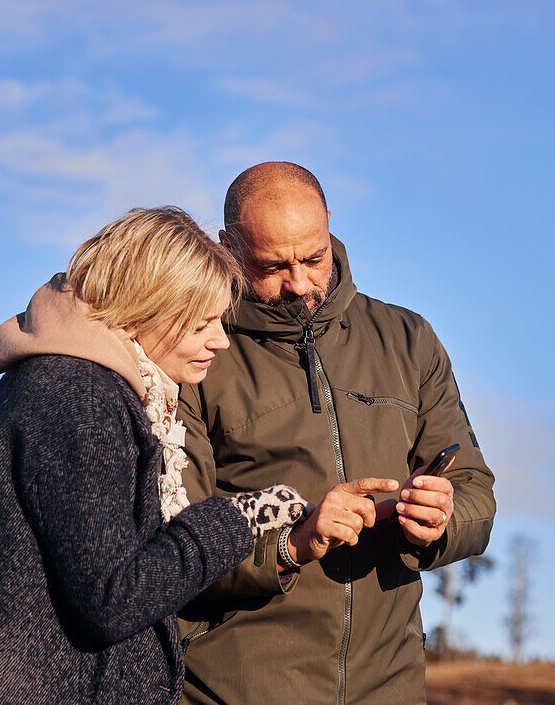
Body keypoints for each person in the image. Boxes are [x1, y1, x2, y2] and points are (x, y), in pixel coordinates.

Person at [0, 207, 314, 704]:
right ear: (145, 308)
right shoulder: (79, 397)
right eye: (201, 323)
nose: (220, 340)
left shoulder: (93, 385)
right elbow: (112, 597)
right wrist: (238, 516)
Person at [177, 164, 497, 704]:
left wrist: (441, 521)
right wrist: (291, 543)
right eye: (272, 266)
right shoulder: (195, 352)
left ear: (328, 224)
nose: (298, 283)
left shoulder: (408, 339)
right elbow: (174, 539)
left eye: (312, 257)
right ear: (227, 247)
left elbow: (475, 494)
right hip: (235, 690)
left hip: (389, 688)